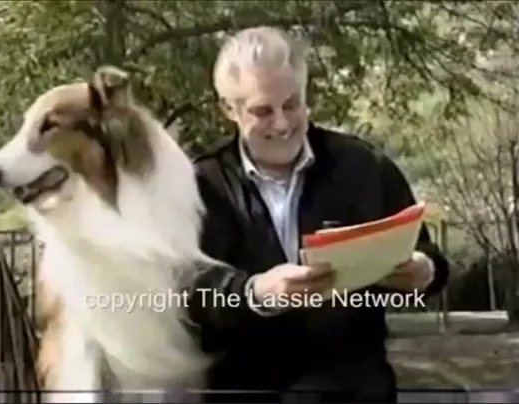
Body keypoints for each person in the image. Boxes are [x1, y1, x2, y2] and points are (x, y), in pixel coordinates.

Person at [185, 26, 450, 403]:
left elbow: (430, 260)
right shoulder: (198, 186)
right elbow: (183, 292)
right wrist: (254, 293)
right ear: (228, 109)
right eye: (263, 110)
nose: (282, 123)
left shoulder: (365, 167)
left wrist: (424, 271)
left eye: (292, 104)